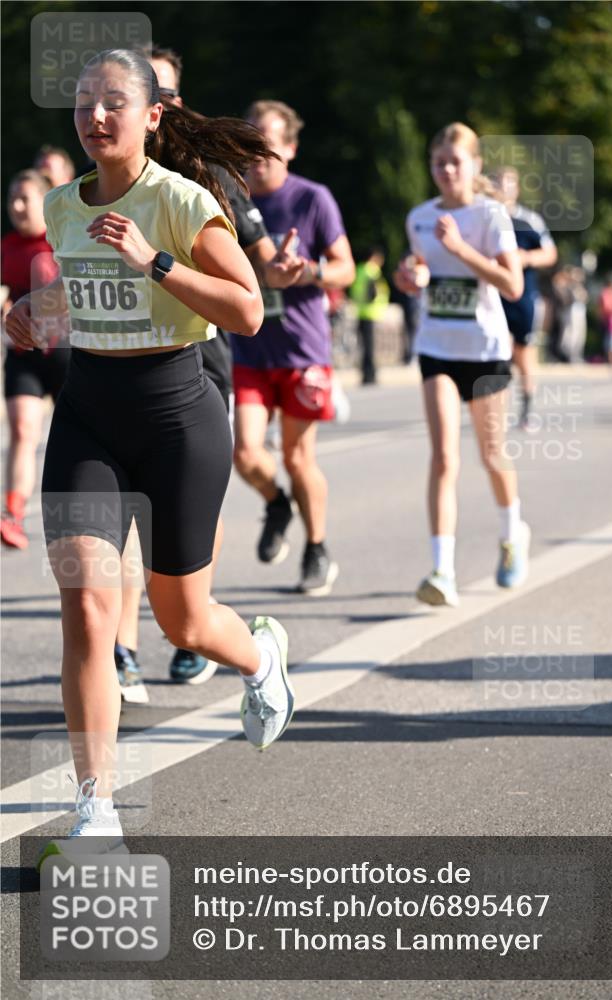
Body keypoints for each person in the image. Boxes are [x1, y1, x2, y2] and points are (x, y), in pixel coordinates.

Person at [5, 49, 295, 860]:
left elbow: (244, 311)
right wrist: (34, 308)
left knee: (184, 620)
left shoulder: (181, 200)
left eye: (114, 103)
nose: (96, 116)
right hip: (89, 415)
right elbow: (84, 283)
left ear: (152, 115)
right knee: (90, 609)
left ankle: (260, 654)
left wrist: (155, 260)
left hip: (178, 418)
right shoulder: (63, 206)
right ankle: (96, 808)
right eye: (84, 103)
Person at [112, 44, 304, 700]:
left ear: (168, 104)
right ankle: (123, 652)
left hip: (198, 357)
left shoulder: (206, 176)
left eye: (155, 92)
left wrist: (281, 273)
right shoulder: (103, 173)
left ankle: (196, 615)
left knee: (179, 498)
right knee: (124, 508)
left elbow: (256, 269)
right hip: (122, 364)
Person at [394, 122, 529, 607]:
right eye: (439, 163)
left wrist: (461, 250)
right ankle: (442, 571)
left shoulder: (491, 216)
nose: (448, 171)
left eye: (456, 162)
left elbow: (512, 286)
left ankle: (514, 533)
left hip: (486, 351)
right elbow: (417, 271)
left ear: (474, 166)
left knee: (492, 454)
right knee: (444, 457)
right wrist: (410, 276)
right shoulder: (420, 217)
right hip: (437, 348)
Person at [233, 100, 355, 596]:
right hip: (249, 350)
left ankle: (317, 547)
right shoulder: (231, 199)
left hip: (303, 350)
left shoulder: (312, 199)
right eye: (251, 141)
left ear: (290, 148)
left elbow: (344, 267)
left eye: (269, 141)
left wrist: (307, 271)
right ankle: (277, 503)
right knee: (245, 454)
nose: (259, 152)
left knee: (299, 457)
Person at [1, 169, 68, 550]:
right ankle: (12, 514)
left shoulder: (63, 240)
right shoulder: (7, 246)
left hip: (66, 355)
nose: (16, 206)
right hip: (23, 355)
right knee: (24, 430)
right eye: (12, 198)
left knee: (76, 436)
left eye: (25, 198)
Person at [493, 166, 557, 429]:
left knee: (524, 355)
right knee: (499, 353)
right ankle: (498, 410)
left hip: (522, 299)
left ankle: (528, 410)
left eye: (509, 184)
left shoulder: (530, 220)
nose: (504, 188)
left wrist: (525, 258)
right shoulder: (485, 217)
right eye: (498, 183)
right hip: (494, 298)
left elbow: (550, 254)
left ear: (517, 188)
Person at [349, 246, 389, 385]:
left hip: (360, 311)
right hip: (371, 312)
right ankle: (371, 374)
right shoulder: (372, 271)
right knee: (370, 347)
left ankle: (365, 374)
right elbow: (374, 292)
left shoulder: (359, 270)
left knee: (364, 346)